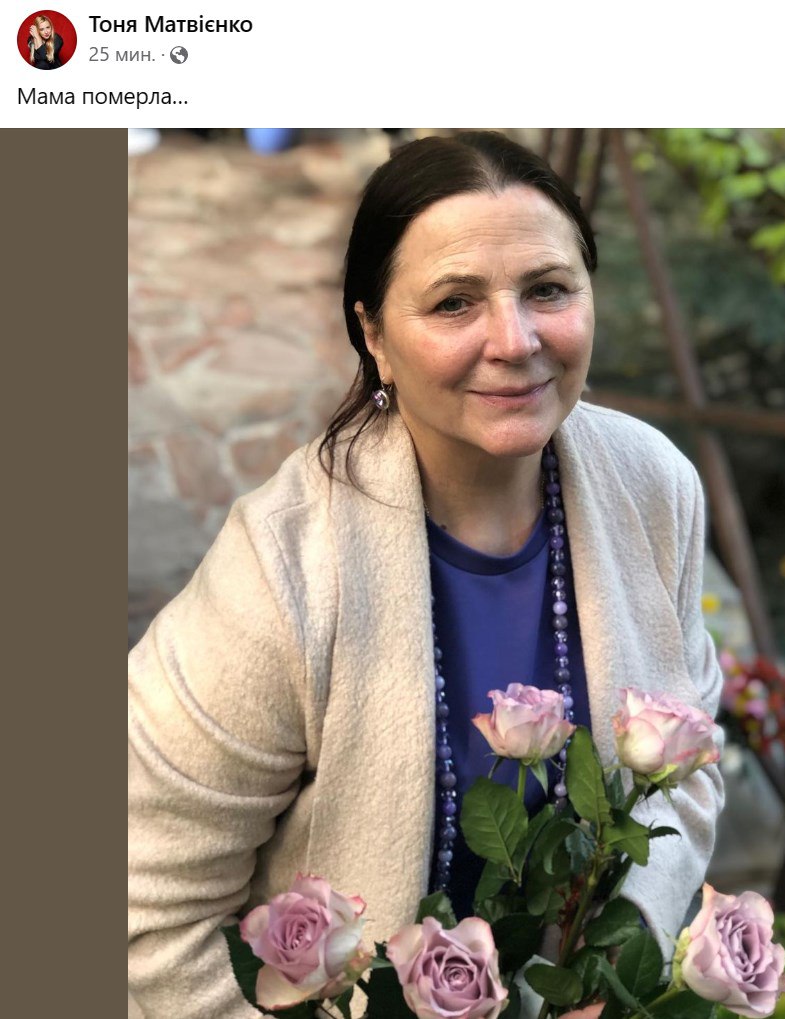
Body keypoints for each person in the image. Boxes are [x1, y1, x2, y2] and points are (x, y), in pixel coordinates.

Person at [128, 131, 725, 1018]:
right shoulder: (280, 570)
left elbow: (691, 767)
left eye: (549, 289)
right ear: (373, 334)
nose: (515, 340)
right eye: (453, 303)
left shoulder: (656, 488)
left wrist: (618, 958)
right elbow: (146, 909)